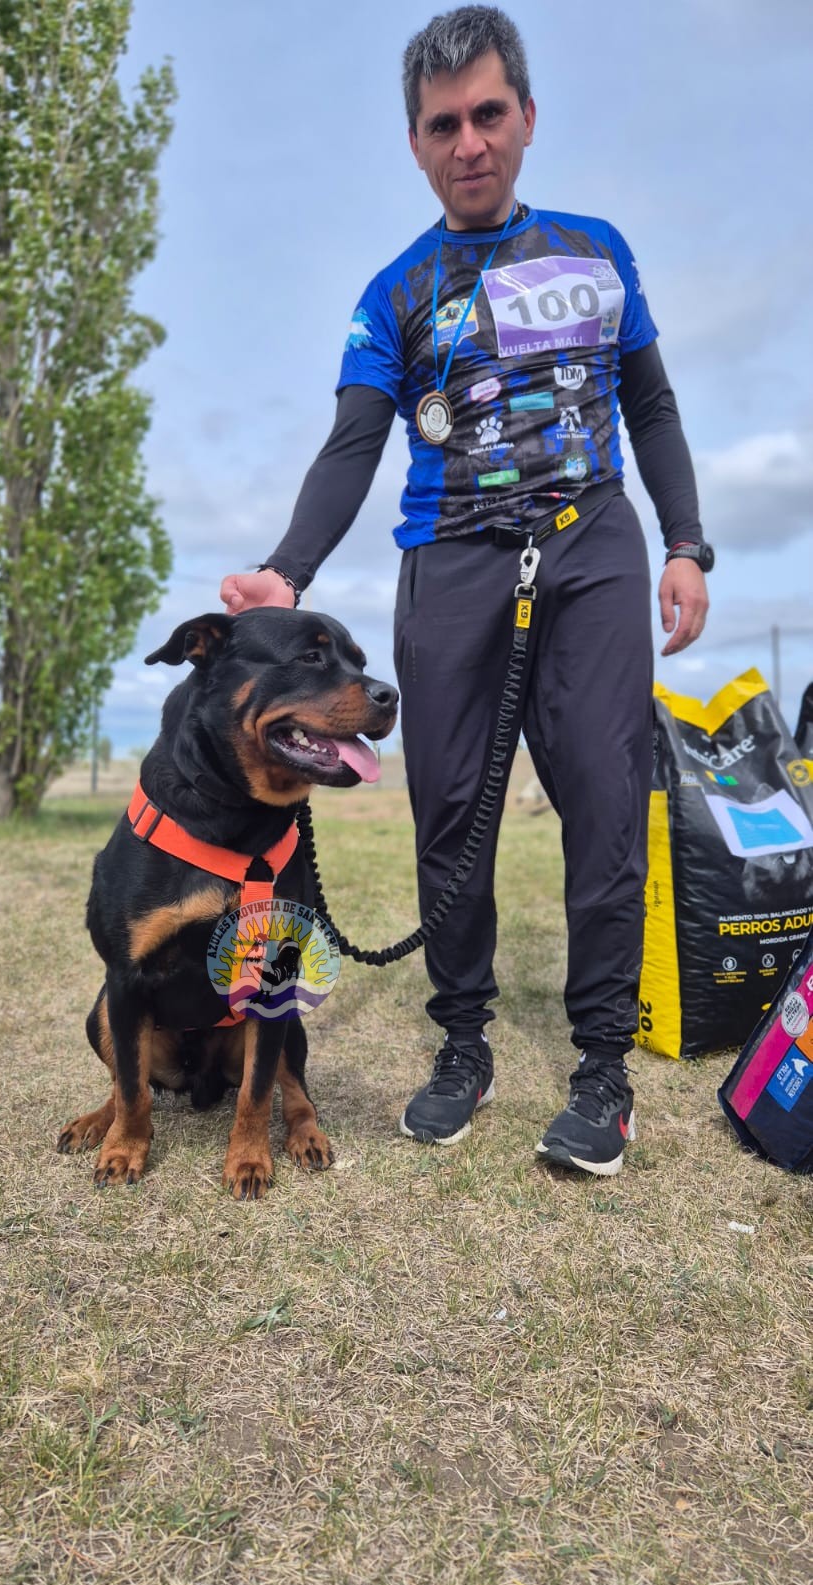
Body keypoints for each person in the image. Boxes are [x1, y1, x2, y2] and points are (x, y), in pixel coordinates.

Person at [221, 5, 711, 1177]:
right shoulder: (394, 291)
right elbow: (352, 445)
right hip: (450, 560)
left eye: (490, 114)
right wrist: (289, 566)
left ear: (528, 119)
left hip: (592, 547)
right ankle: (462, 1043)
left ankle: (602, 1069)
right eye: (445, 124)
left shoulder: (596, 250)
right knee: (450, 813)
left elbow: (651, 403)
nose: (470, 141)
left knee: (603, 800)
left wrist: (686, 541)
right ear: (417, 144)